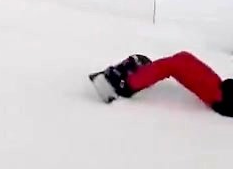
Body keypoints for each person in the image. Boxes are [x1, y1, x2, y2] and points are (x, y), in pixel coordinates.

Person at [91, 52, 233, 117]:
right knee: (183, 57)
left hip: (223, 98)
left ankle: (127, 86)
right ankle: (144, 73)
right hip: (224, 90)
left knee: (174, 65)